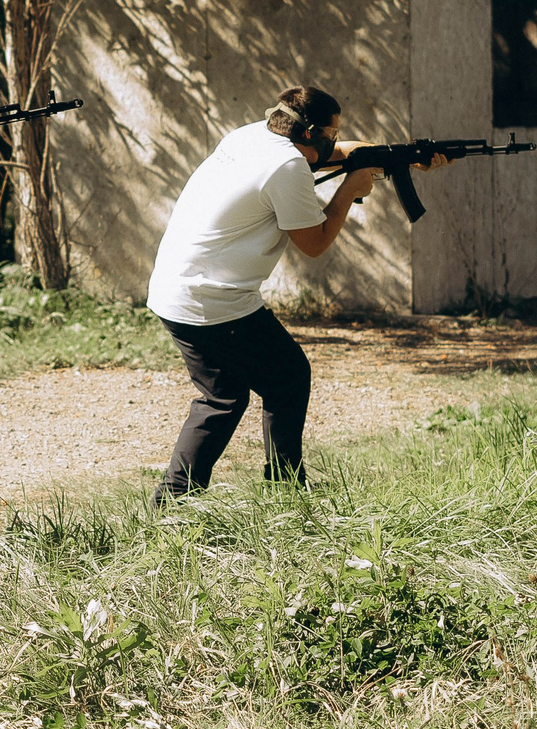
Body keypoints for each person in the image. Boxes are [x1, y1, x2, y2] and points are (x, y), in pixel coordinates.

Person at [145, 85, 436, 501]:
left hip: (177, 287)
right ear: (310, 134)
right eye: (331, 134)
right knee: (285, 379)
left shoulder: (251, 135)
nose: (336, 141)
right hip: (212, 298)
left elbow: (343, 152)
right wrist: (349, 190)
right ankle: (284, 492)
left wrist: (403, 156)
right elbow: (314, 243)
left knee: (223, 396)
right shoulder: (287, 166)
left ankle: (175, 500)